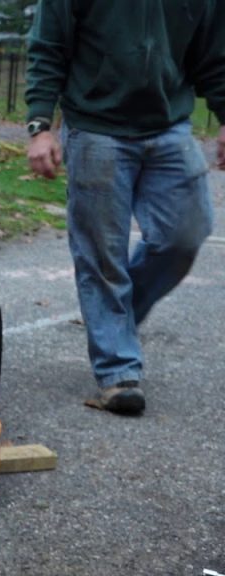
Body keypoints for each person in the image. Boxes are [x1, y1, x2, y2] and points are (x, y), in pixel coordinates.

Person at [25, 0, 225, 415]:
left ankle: (116, 319)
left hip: (169, 125)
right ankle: (118, 372)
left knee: (185, 233)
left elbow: (214, 54)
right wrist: (40, 125)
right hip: (96, 126)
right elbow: (49, 45)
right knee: (101, 253)